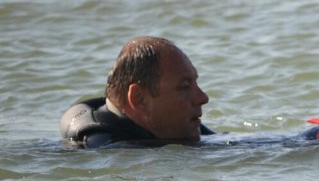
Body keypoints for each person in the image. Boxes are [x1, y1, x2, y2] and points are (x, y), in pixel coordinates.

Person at [60, 37, 213, 148]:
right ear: (140, 99)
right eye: (185, 86)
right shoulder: (111, 153)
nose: (202, 98)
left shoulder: (177, 126)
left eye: (195, 83)